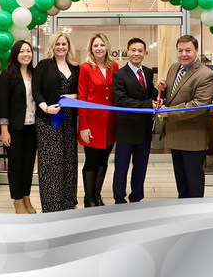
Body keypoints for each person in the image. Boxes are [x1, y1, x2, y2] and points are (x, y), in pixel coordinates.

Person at [159, 35, 213, 199]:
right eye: (180, 50)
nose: (184, 54)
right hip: (175, 134)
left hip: (193, 138)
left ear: (196, 51)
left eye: (188, 50)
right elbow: (175, 92)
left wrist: (169, 112)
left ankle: (195, 215)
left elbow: (198, 105)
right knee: (181, 182)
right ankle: (183, 211)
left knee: (194, 183)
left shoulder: (206, 75)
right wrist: (163, 88)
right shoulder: (174, 67)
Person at [32, 32, 79, 212]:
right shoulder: (44, 65)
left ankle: (68, 202)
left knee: (69, 161)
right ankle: (52, 206)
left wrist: (73, 96)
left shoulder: (75, 67)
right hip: (48, 120)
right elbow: (36, 90)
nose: (61, 47)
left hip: (68, 121)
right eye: (57, 44)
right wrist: (45, 107)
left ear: (69, 46)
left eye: (64, 44)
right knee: (51, 164)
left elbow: (81, 92)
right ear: (52, 45)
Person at [112, 38, 159, 204]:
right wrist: (148, 104)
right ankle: (119, 200)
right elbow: (121, 100)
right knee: (122, 168)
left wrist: (160, 93)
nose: (136, 53)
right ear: (127, 51)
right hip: (126, 130)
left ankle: (136, 198)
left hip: (144, 130)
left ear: (145, 53)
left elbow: (150, 93)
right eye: (133, 50)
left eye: (140, 50)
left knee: (140, 168)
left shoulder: (147, 72)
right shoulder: (118, 75)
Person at [78, 33, 119, 207]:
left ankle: (97, 195)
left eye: (102, 45)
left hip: (110, 123)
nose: (99, 48)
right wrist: (84, 126)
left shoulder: (114, 66)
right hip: (92, 123)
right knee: (91, 161)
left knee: (104, 160)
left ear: (107, 47)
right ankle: (88, 198)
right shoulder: (86, 68)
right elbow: (81, 97)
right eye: (96, 45)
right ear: (91, 49)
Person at [0, 40, 37, 214]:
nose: (26, 54)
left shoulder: (34, 73)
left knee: (29, 165)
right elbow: (3, 105)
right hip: (14, 129)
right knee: (15, 165)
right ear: (15, 54)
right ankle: (18, 201)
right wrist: (4, 130)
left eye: (28, 51)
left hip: (33, 128)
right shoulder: (7, 75)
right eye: (22, 51)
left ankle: (27, 197)